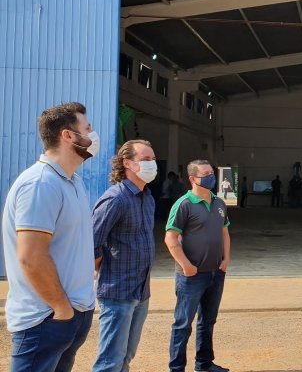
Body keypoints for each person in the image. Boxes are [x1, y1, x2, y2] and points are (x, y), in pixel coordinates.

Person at [2, 102, 99, 371]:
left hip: (70, 313)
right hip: (44, 319)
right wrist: (61, 308)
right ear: (67, 135)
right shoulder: (41, 183)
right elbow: (31, 257)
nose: (93, 136)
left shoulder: (73, 181)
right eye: (87, 129)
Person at [92, 140, 158, 372]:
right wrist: (102, 269)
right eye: (146, 159)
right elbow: (92, 241)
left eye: (153, 159)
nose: (152, 164)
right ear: (127, 163)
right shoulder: (115, 199)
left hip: (141, 291)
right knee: (110, 360)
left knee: (126, 356)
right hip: (118, 292)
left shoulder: (147, 198)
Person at [165, 160, 232, 372]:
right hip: (191, 277)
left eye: (212, 172)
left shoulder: (219, 203)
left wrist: (226, 260)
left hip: (215, 273)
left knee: (208, 321)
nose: (211, 176)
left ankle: (204, 364)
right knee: (183, 324)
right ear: (193, 179)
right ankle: (177, 368)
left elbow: (224, 232)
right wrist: (186, 266)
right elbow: (170, 238)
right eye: (206, 173)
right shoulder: (184, 204)